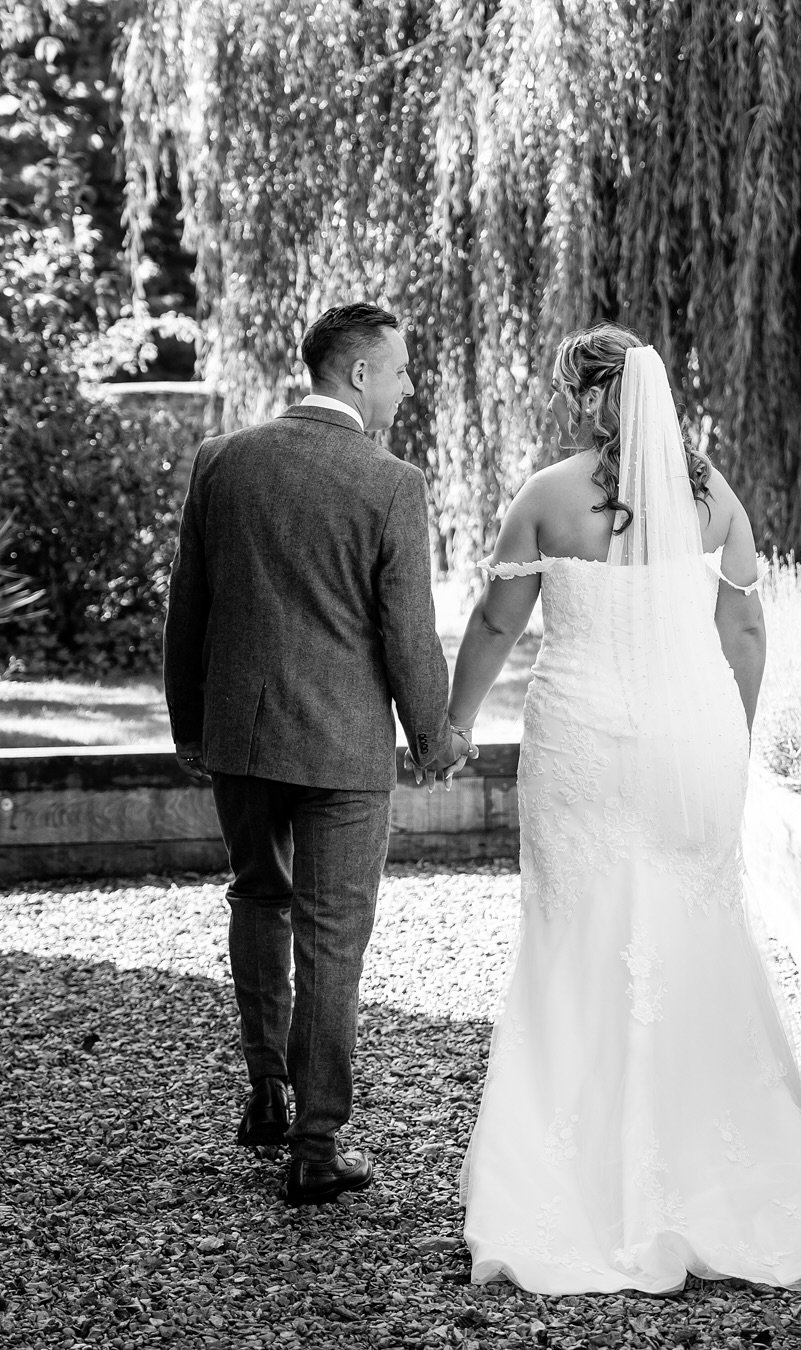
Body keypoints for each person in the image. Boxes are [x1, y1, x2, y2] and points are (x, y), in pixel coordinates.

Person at [449, 323, 801, 1293]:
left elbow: (498, 620)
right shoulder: (715, 501)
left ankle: (578, 1178)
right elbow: (742, 624)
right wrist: (732, 736)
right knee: (697, 931)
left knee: (574, 934)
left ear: (588, 403)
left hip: (582, 741)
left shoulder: (545, 497)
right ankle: (718, 1161)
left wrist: (451, 720)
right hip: (693, 737)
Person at [163, 301, 473, 1207]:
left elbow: (192, 608)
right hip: (342, 752)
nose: (410, 387)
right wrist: (436, 741)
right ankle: (315, 1144)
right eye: (404, 369)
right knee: (332, 937)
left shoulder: (222, 461)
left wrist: (192, 728)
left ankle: (265, 1092)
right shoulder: (391, 483)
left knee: (258, 897)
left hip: (243, 740)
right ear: (360, 374)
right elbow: (408, 636)